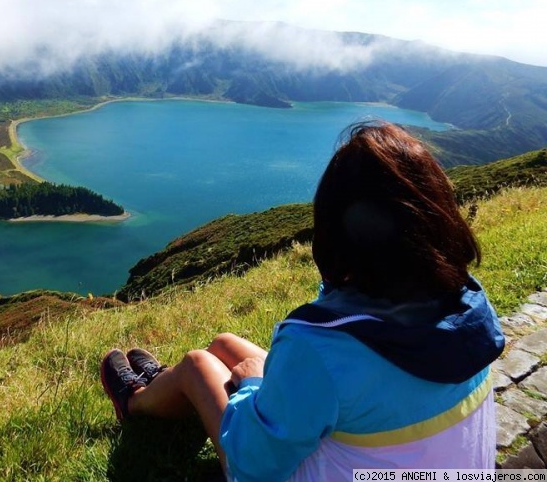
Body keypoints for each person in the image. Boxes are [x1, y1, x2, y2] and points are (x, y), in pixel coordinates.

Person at [100, 121, 505, 481]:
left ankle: (134, 401)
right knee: (225, 342)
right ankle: (160, 384)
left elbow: (255, 465)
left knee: (199, 364)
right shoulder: (467, 307)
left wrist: (254, 383)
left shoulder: (318, 346)